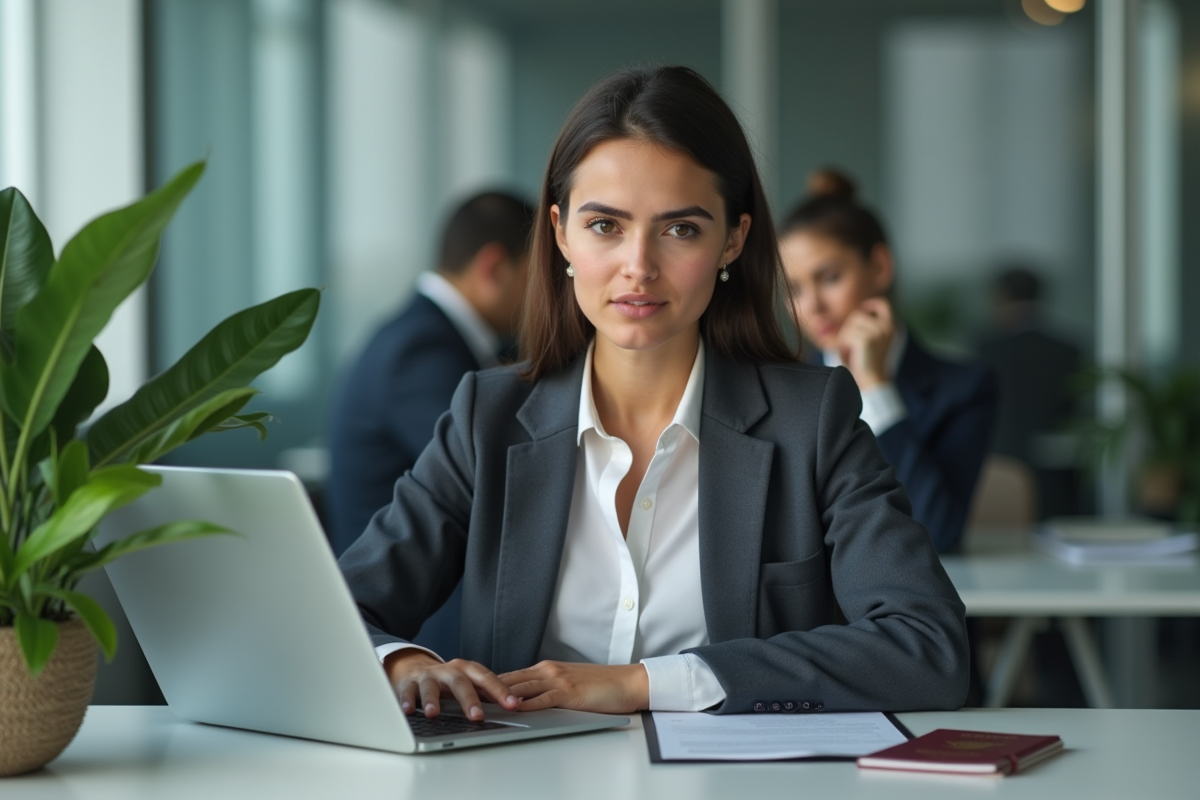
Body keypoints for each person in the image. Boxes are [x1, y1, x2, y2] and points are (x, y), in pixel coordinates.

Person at [339, 67, 968, 722]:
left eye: (680, 229)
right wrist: (403, 662)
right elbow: (339, 611)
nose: (638, 265)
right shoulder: (487, 417)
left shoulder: (810, 421)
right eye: (605, 225)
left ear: (734, 239)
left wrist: (645, 683)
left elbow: (928, 647)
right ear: (560, 235)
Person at [779, 170, 998, 554]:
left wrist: (876, 387)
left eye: (829, 278)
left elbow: (938, 533)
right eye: (793, 289)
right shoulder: (779, 388)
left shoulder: (965, 389)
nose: (812, 306)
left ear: (879, 266)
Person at [327, 191, 535, 557]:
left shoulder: (427, 334)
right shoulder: (421, 352)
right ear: (494, 268)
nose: (544, 297)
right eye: (536, 277)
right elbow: (493, 482)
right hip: (406, 602)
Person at [976, 263, 1083, 519]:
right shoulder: (1068, 350)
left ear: (1001, 296)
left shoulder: (985, 350)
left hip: (1000, 469)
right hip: (1058, 473)